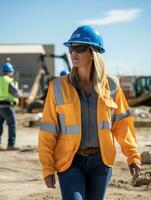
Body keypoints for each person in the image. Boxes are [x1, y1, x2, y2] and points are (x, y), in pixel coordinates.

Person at [38, 25, 141, 200]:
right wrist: (47, 167)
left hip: (101, 162)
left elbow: (123, 126)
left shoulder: (113, 86)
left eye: (80, 48)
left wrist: (132, 156)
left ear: (94, 52)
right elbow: (48, 131)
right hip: (70, 161)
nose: (73, 53)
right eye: (71, 48)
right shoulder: (57, 87)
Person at [0, 62, 21, 150]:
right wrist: (20, 93)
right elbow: (16, 93)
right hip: (7, 106)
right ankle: (10, 145)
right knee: (12, 124)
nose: (12, 74)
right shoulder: (8, 80)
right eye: (12, 72)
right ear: (9, 72)